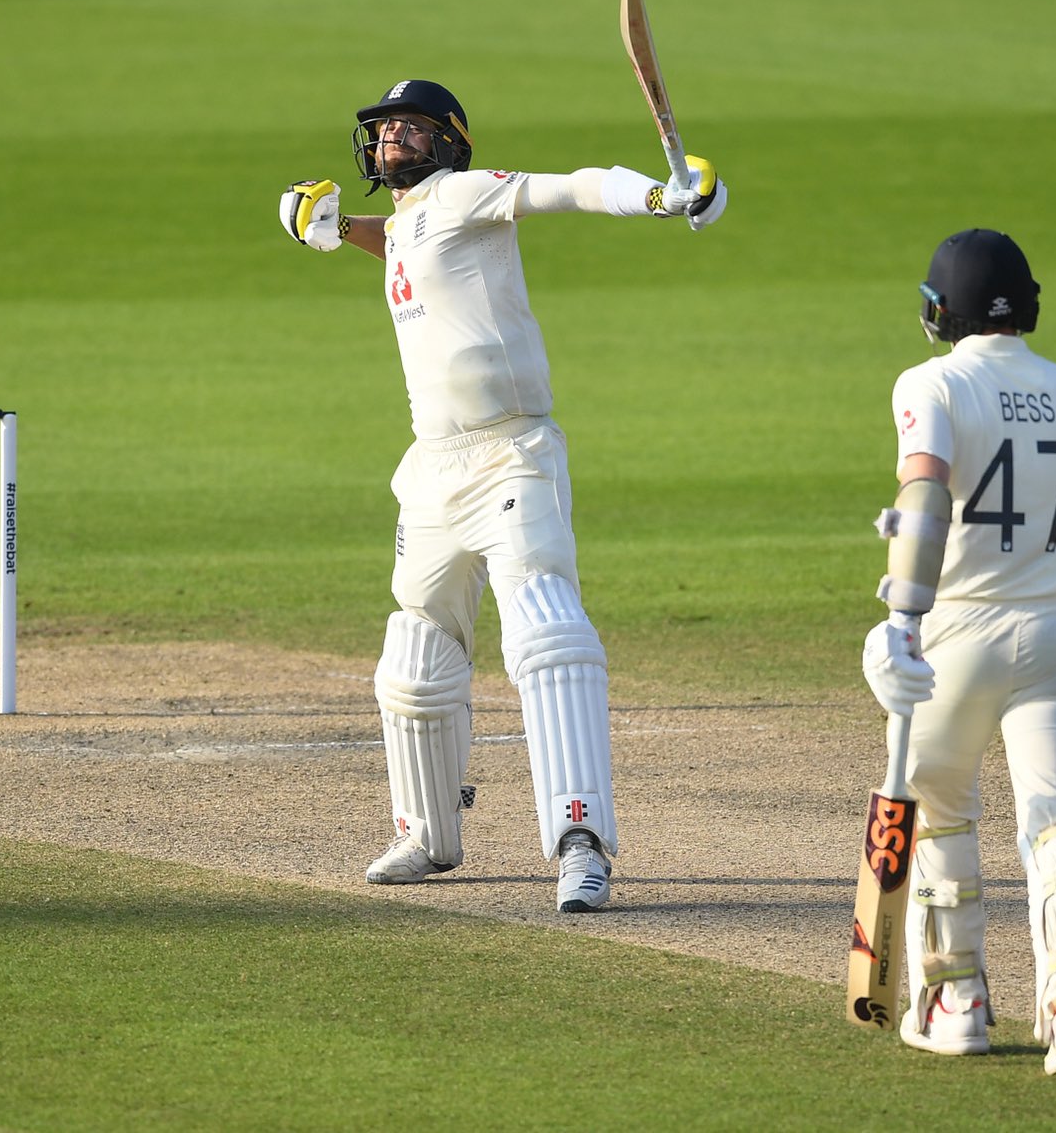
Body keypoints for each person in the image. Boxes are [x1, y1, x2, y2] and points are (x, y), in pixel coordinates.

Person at [276, 79, 726, 913]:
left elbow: (575, 187)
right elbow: (406, 246)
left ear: (449, 140)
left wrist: (661, 195)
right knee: (414, 658)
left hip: (511, 456)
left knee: (548, 635)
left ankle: (580, 843)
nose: (392, 140)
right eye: (382, 131)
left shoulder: (467, 193)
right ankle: (427, 833)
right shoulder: (417, 219)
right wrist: (331, 231)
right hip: (433, 468)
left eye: (409, 128)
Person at [860, 228, 1056, 1075]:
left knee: (940, 810)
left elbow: (924, 490)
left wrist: (902, 616)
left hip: (956, 634)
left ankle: (956, 998)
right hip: (1055, 636)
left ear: (938, 311)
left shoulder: (930, 382)